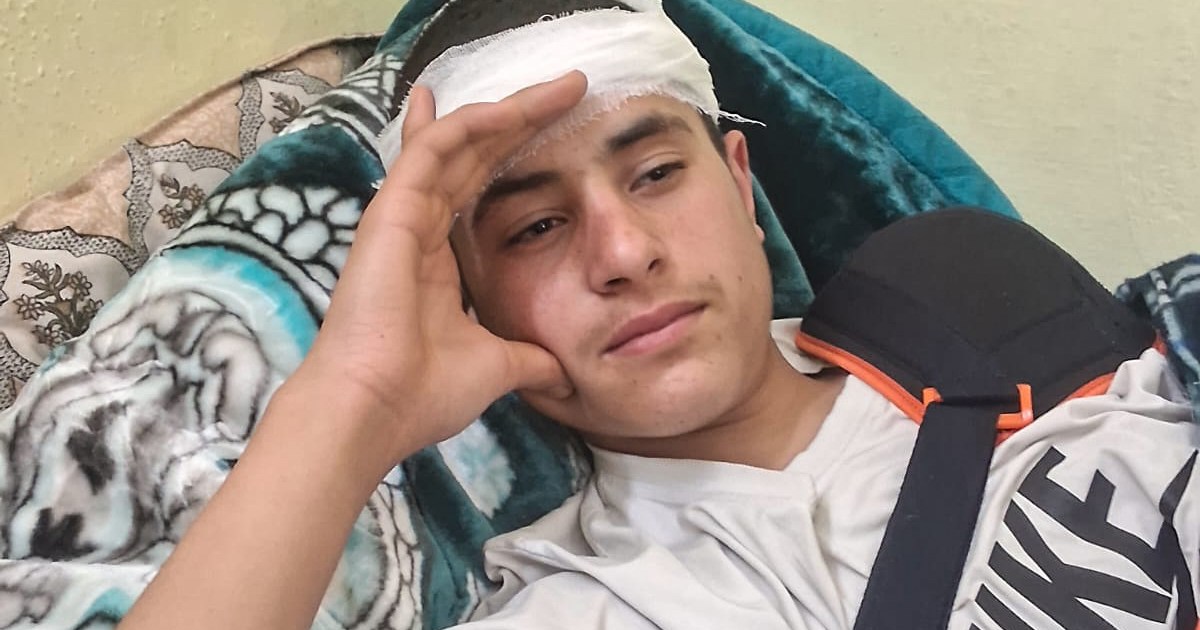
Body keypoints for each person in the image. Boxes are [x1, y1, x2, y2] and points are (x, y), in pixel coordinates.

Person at [120, 1, 1200, 628]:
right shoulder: (587, 603)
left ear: (739, 182)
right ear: (467, 297)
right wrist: (349, 403)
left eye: (653, 175)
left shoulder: (987, 300)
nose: (624, 253)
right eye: (534, 228)